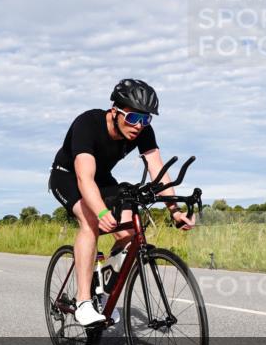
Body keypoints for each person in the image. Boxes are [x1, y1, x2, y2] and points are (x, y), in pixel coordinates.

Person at [49, 79, 194, 327]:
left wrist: (174, 210)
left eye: (145, 119)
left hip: (102, 179)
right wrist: (100, 210)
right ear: (114, 112)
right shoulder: (88, 123)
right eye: (132, 118)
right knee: (90, 221)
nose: (139, 126)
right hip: (68, 175)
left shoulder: (143, 131)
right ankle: (84, 302)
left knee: (127, 232)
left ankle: (104, 295)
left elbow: (156, 168)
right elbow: (84, 178)